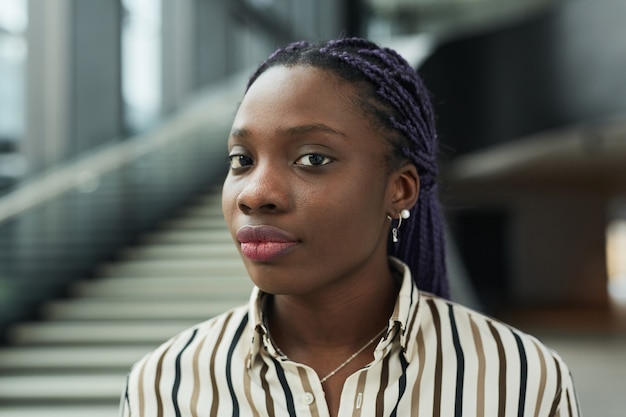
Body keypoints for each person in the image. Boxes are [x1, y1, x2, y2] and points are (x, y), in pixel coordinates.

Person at [119, 38, 580, 417]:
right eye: (242, 160)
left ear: (398, 189)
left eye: (313, 159)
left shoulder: (519, 378)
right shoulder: (164, 386)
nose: (255, 193)